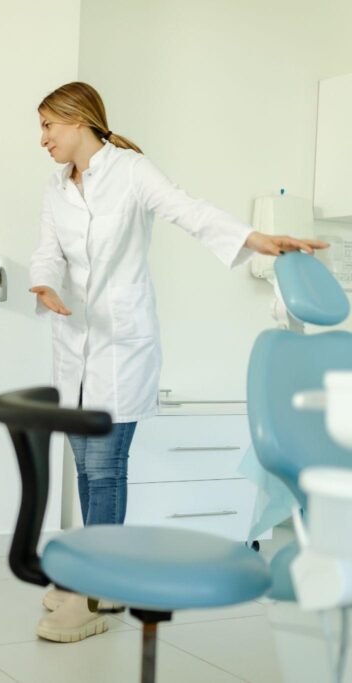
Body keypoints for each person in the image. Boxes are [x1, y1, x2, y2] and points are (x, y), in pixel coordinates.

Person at [28, 81, 327, 641]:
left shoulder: (132, 172)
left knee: (105, 468)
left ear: (78, 120)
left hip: (123, 347)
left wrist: (256, 239)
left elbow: (189, 212)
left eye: (48, 125)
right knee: (84, 469)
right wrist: (43, 282)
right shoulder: (55, 188)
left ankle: (99, 590)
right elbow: (48, 248)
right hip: (75, 345)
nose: (42, 139)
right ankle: (88, 574)